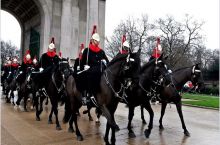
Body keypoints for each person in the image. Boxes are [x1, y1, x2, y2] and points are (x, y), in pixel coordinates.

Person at [78, 32, 109, 100]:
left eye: (98, 41)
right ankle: (87, 95)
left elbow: (107, 61)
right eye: (96, 40)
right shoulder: (87, 50)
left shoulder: (101, 51)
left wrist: (105, 62)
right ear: (92, 40)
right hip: (90, 69)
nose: (97, 42)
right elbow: (82, 63)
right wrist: (84, 67)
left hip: (100, 69)